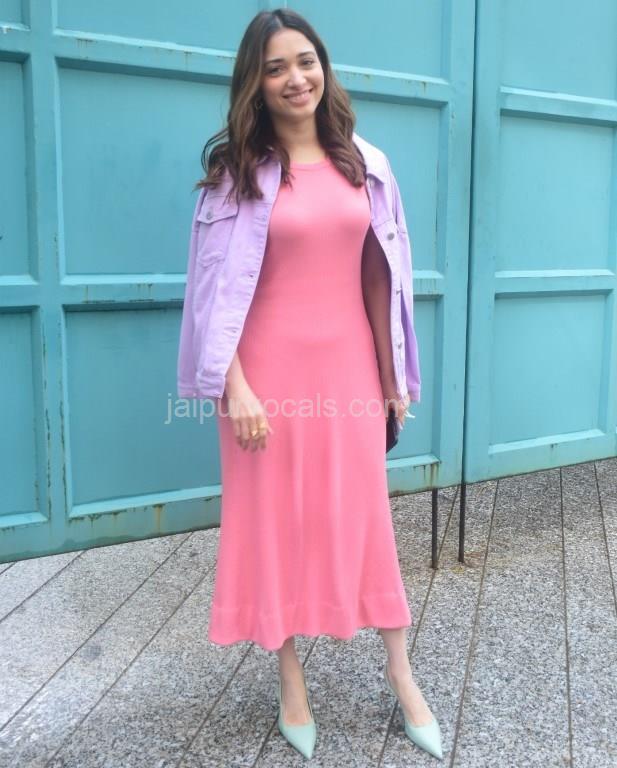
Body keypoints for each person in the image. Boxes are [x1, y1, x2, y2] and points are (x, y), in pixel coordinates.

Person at [177, 7, 442, 762]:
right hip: (264, 377)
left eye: (305, 61)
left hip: (348, 371)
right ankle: (289, 678)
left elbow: (380, 280)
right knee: (272, 522)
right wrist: (234, 388)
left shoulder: (368, 164)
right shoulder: (234, 174)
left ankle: (401, 672)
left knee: (363, 516)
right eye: (275, 68)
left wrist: (390, 376)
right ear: (255, 84)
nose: (295, 78)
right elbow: (211, 292)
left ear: (323, 67)